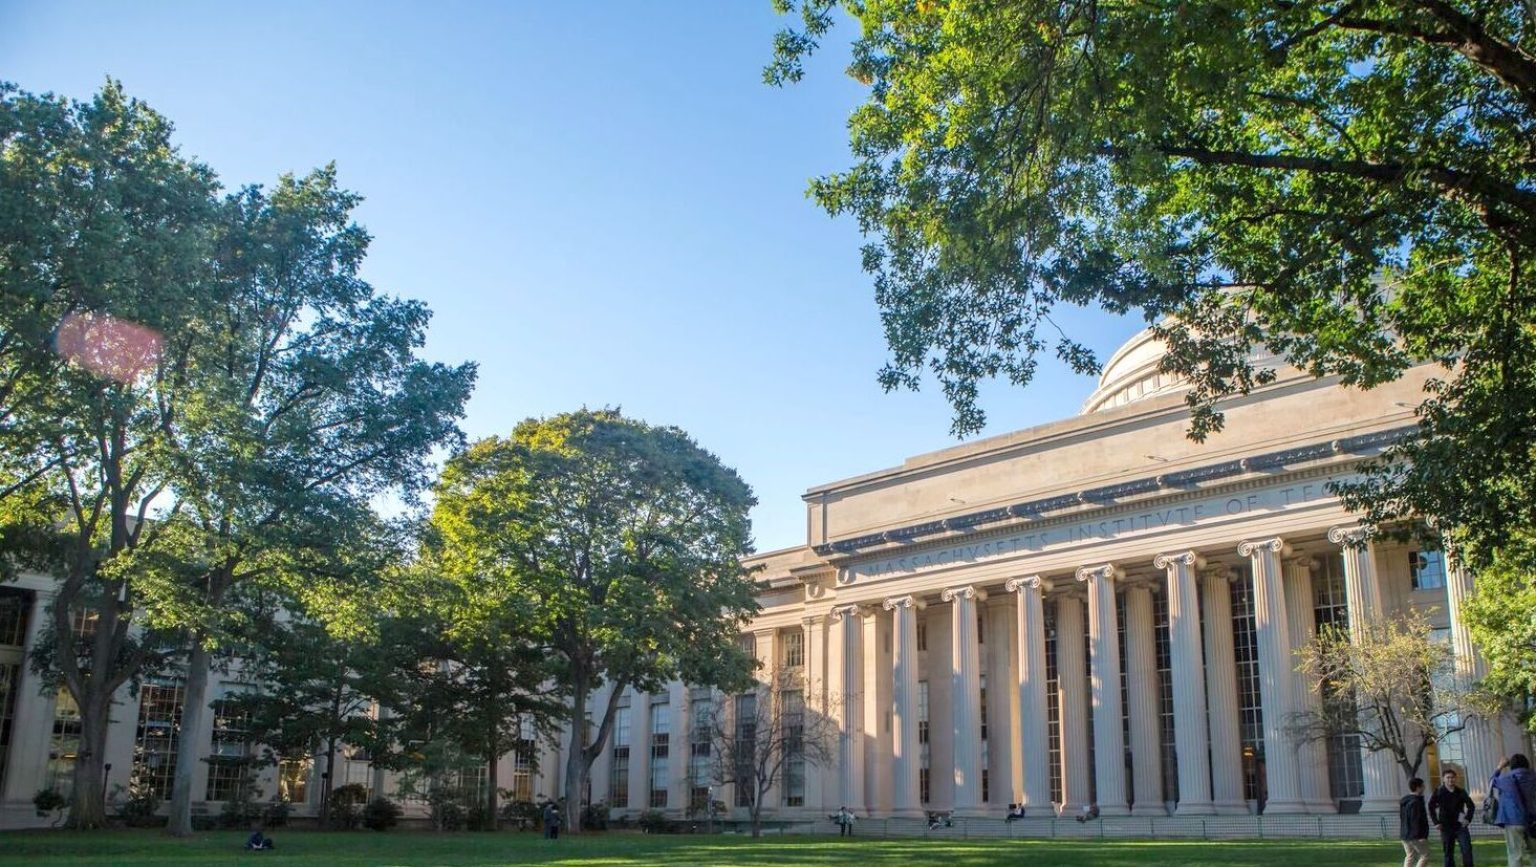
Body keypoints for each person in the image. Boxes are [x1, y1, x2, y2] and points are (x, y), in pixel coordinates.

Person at [1491, 754, 1536, 867]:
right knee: (1534, 853)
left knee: (1514, 854)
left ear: (1511, 765)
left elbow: (1492, 782)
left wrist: (1500, 767)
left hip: (1513, 820)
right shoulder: (1533, 777)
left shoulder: (1506, 779)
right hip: (1532, 820)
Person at [1430, 768, 1476, 867]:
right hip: (1446, 827)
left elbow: (1471, 806)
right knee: (1448, 852)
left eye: (1453, 777)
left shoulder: (1461, 791)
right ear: (1443, 779)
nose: (1451, 780)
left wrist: (1468, 819)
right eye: (1448, 777)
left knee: (1466, 850)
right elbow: (1431, 807)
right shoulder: (1439, 792)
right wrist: (1436, 822)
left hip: (1460, 826)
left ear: (1456, 779)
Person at [1402, 777, 1431, 867]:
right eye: (1423, 786)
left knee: (1410, 856)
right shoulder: (1416, 802)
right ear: (1418, 787)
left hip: (1405, 833)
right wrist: (1420, 835)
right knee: (1425, 856)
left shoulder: (1405, 801)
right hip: (1415, 835)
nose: (1424, 788)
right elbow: (1416, 819)